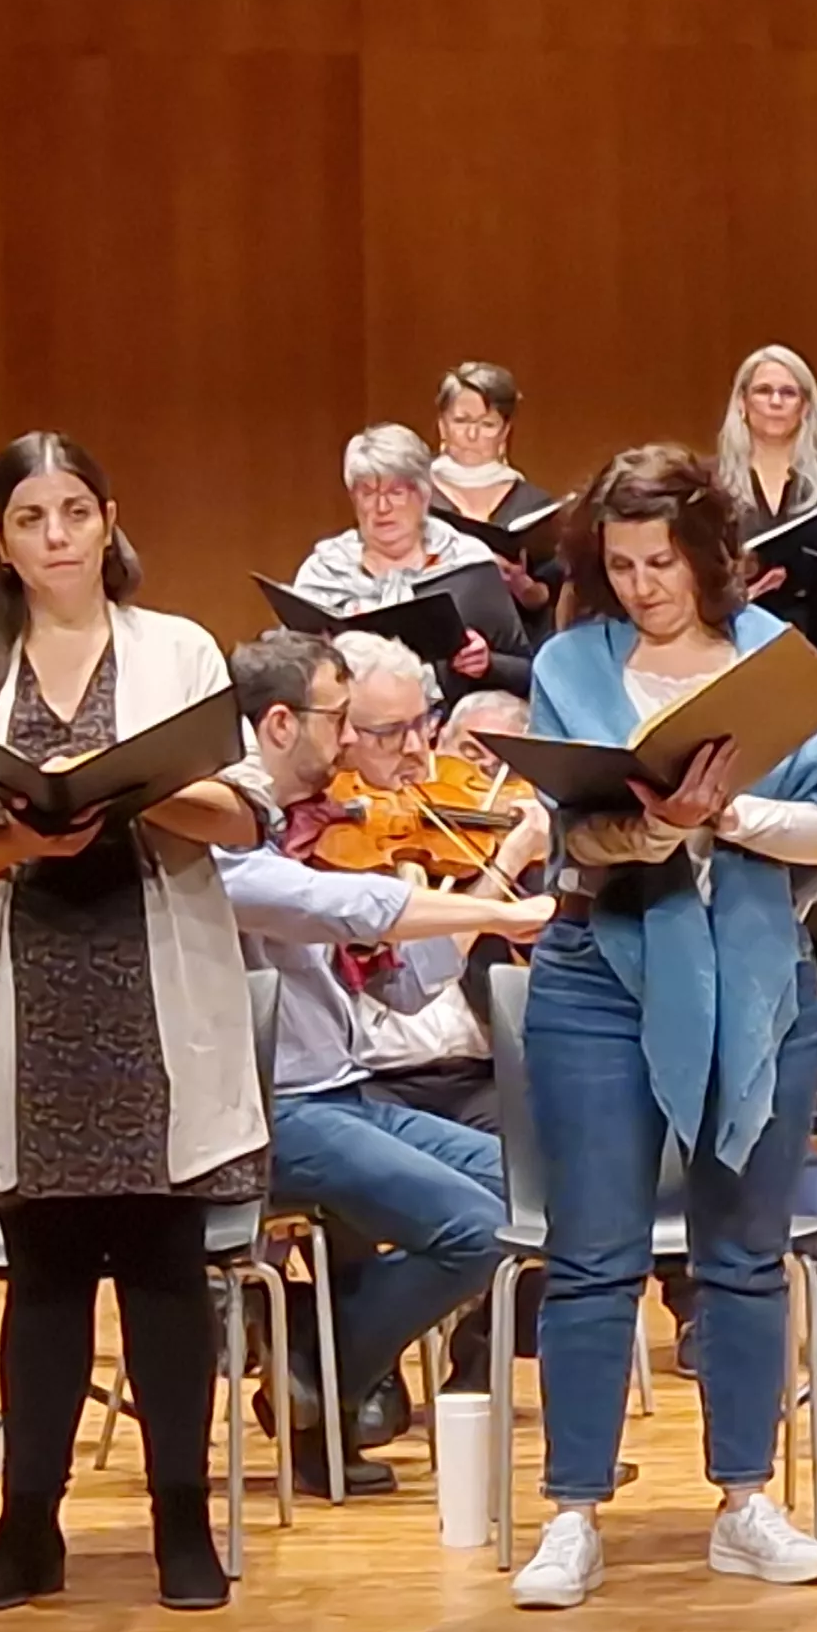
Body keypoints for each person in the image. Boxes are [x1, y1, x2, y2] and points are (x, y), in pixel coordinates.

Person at [0, 432, 274, 1614]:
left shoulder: (178, 647)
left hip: (152, 990)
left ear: (109, 520)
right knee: (46, 1274)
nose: (56, 534)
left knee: (166, 1267)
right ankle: (29, 1528)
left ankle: (181, 1520)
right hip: (29, 984)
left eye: (74, 510)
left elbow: (245, 813)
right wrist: (20, 835)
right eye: (31, 517)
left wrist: (133, 784)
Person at [507, 444, 817, 1611]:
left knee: (743, 1252)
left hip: (756, 975)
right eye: (621, 565)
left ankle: (745, 1501)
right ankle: (571, 1513)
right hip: (599, 970)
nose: (643, 584)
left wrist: (732, 812)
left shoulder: (775, 658)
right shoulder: (571, 661)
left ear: (708, 555)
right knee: (593, 1250)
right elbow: (579, 833)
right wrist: (660, 828)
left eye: (661, 561)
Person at [213, 631, 540, 1495]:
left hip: (344, 1093)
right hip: (271, 1111)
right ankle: (318, 1367)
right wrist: (499, 907)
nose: (362, 745)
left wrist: (485, 884)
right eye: (349, 722)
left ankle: (313, 1360)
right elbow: (335, 905)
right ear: (281, 724)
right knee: (473, 1228)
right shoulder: (222, 833)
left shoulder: (318, 828)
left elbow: (405, 986)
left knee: (533, 1196)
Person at [332, 635, 550, 1139]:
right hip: (366, 1078)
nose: (415, 749)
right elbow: (407, 983)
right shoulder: (328, 839)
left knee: (549, 1162)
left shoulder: (463, 834)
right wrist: (501, 870)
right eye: (390, 732)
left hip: (476, 1074)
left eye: (420, 724)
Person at [291, 422, 524, 695]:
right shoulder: (323, 571)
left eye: (396, 493)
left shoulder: (468, 564)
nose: (382, 507)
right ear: (353, 498)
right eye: (368, 493)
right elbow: (295, 672)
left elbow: (525, 670)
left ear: (424, 495)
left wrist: (488, 664)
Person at [427, 360, 560, 625]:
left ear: (505, 432)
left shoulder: (534, 504)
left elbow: (550, 593)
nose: (472, 435)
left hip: (513, 638)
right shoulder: (411, 495)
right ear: (442, 426)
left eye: (487, 424)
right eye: (461, 421)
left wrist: (527, 590)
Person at [715, 342, 817, 548]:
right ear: (742, 401)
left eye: (788, 393)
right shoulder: (714, 479)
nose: (776, 402)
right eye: (763, 391)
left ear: (805, 406)